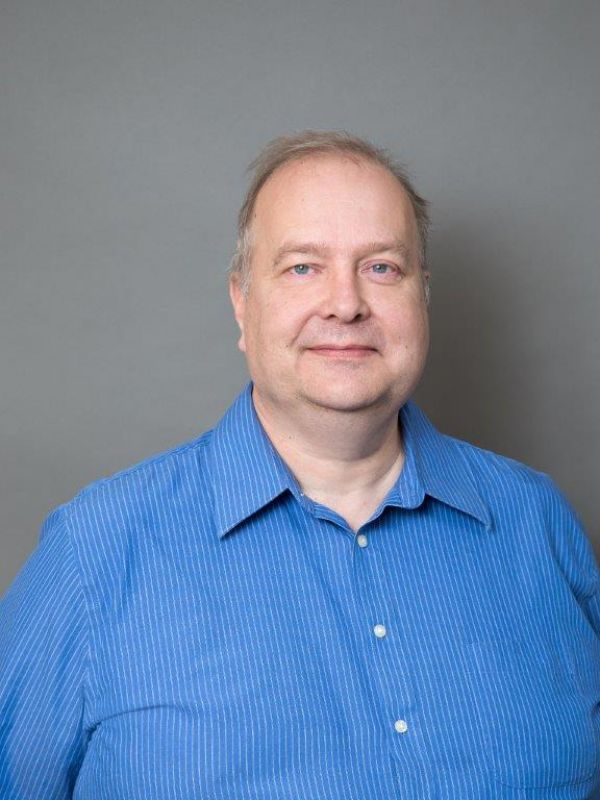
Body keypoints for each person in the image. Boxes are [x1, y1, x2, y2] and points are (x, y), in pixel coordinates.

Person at [1, 131, 598, 799]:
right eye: (303, 268)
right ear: (242, 301)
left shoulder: (537, 523)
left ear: (422, 297)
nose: (346, 304)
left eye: (381, 267)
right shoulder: (95, 553)